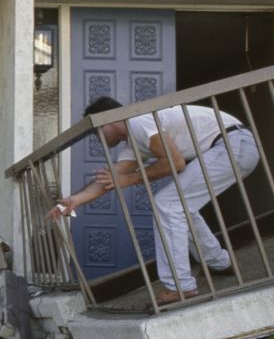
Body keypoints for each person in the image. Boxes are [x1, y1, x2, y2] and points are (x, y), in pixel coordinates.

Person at [50, 96, 259, 305]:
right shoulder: (135, 144)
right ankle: (219, 263)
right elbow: (111, 179)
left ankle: (180, 287)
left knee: (167, 204)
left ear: (108, 119)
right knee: (179, 207)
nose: (97, 137)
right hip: (233, 147)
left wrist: (128, 179)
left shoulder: (139, 121)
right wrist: (74, 200)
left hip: (233, 145)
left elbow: (176, 163)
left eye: (96, 131)